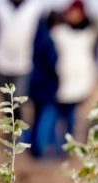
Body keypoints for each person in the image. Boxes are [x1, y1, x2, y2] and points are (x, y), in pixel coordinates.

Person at [51, 0, 98, 154]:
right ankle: (56, 147)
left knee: (72, 115)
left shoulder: (89, 33)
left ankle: (68, 146)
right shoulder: (58, 32)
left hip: (80, 79)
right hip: (61, 79)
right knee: (57, 115)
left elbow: (93, 56)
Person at [0, 0, 43, 116]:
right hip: (2, 63)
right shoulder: (2, 9)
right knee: (6, 102)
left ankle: (21, 130)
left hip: (24, 64)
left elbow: (41, 38)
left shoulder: (35, 10)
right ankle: (10, 130)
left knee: (19, 100)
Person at [28, 10, 62, 158]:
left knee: (37, 118)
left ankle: (36, 149)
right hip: (46, 86)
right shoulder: (48, 40)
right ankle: (42, 150)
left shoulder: (38, 37)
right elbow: (51, 62)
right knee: (46, 119)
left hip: (36, 84)